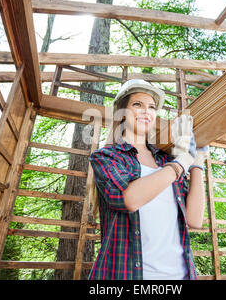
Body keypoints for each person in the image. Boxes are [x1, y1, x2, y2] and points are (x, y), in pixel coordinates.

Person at [88, 79, 208, 280]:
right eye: (137, 104)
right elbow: (130, 199)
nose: (146, 111)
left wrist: (196, 163)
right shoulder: (106, 157)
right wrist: (182, 162)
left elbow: (195, 220)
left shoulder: (165, 162)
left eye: (152, 107)